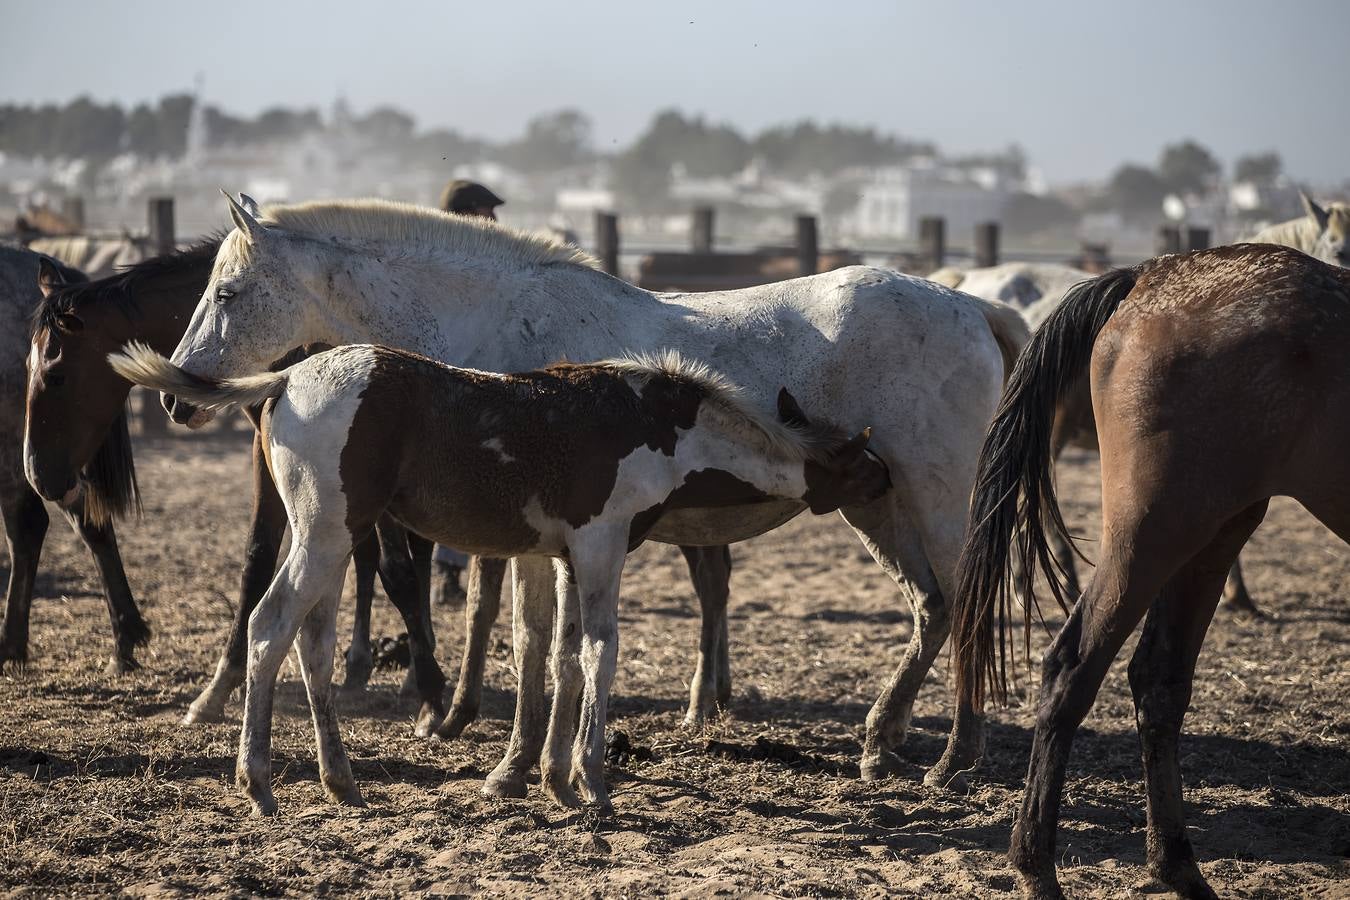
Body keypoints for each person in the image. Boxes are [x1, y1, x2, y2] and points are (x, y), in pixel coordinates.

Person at [430, 180, 505, 604]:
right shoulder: (451, 262)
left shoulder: (483, 257)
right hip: (461, 377)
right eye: (485, 211)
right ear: (466, 215)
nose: (493, 220)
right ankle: (450, 570)